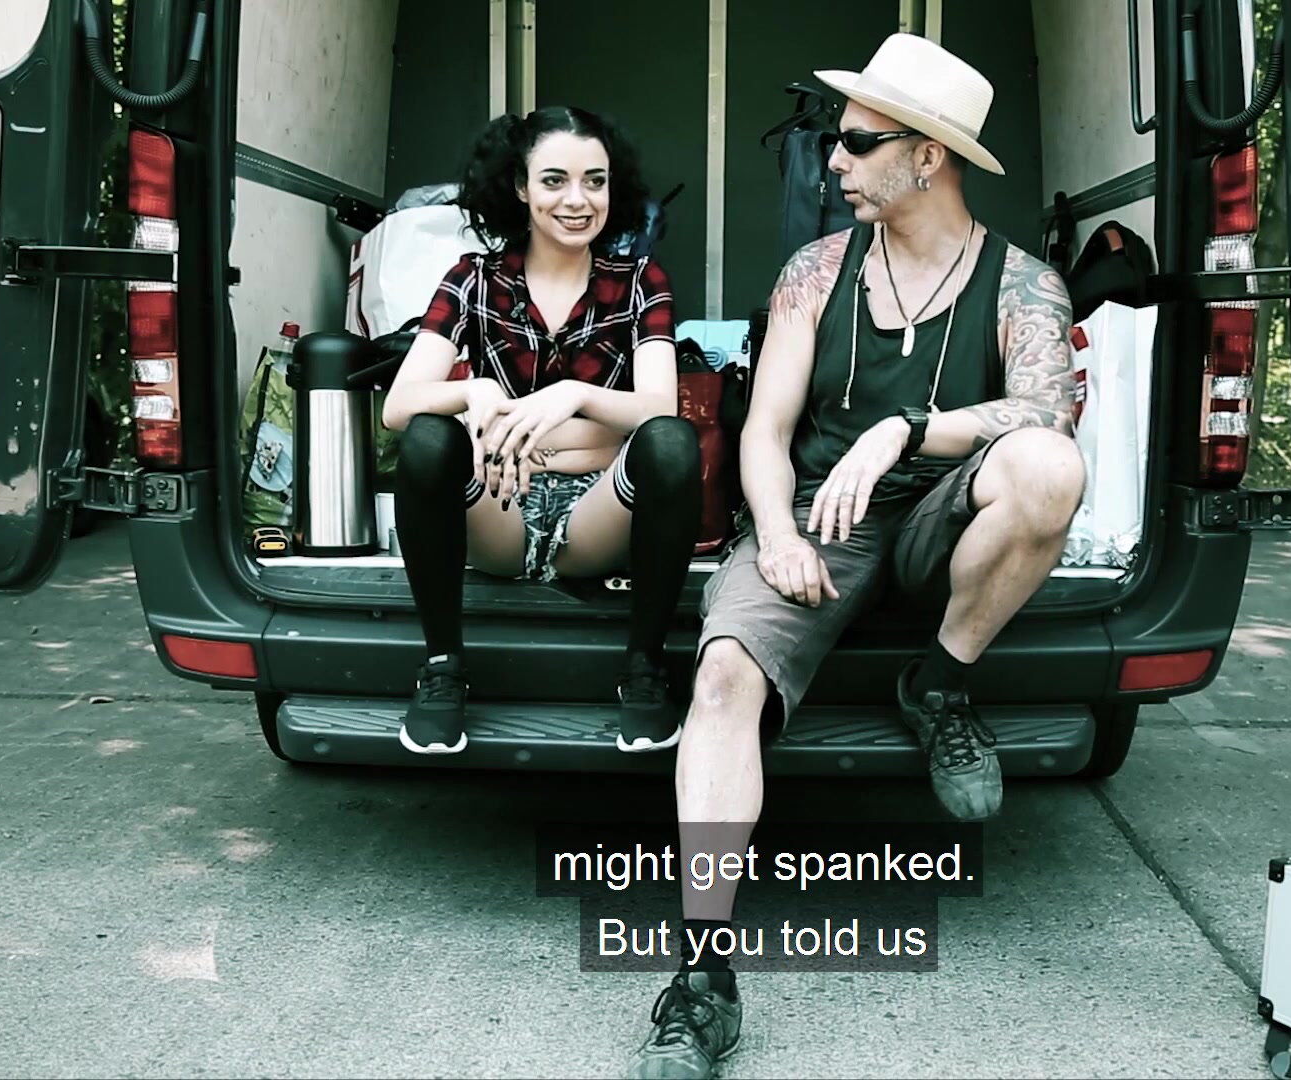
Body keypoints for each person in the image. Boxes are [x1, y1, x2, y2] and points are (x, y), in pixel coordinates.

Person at [625, 34, 1085, 1079]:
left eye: (858, 142)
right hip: (817, 519)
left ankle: (941, 684)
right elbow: (762, 430)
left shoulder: (1023, 283)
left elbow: (1048, 413)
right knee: (723, 676)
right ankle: (701, 975)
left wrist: (905, 432)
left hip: (944, 517)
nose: (833, 160)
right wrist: (777, 531)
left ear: (927, 156)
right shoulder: (816, 271)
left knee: (1049, 468)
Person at [381, 107, 703, 757]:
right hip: (498, 508)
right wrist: (475, 391)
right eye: (554, 180)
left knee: (671, 443)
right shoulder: (473, 278)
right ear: (520, 187)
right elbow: (398, 406)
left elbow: (659, 407)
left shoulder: (641, 281)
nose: (577, 200)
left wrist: (571, 396)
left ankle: (644, 671)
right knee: (427, 438)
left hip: (598, 516)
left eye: (595, 181)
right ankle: (442, 668)